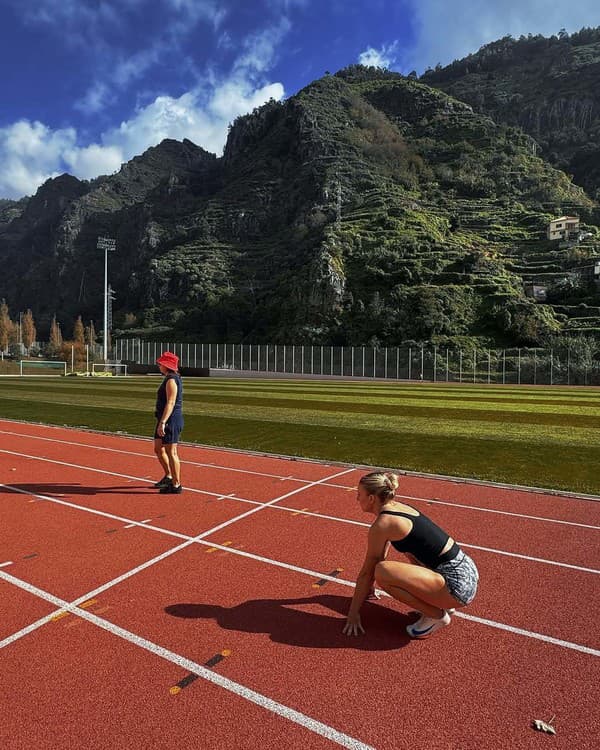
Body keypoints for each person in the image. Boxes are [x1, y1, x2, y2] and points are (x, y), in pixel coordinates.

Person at [343, 471, 478, 639]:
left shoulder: (383, 524)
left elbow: (367, 572)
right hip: (465, 570)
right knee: (402, 559)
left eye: (359, 494)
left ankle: (436, 615)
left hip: (457, 585)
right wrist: (369, 587)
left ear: (371, 498)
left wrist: (353, 613)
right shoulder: (398, 508)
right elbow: (383, 554)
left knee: (382, 572)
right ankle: (440, 601)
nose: (357, 499)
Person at [153, 351, 184, 494]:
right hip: (163, 419)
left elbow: (171, 402)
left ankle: (176, 485)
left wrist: (163, 422)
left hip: (170, 419)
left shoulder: (171, 380)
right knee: (159, 448)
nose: (159, 365)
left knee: (172, 452)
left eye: (161, 363)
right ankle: (168, 475)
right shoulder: (169, 378)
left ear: (166, 365)